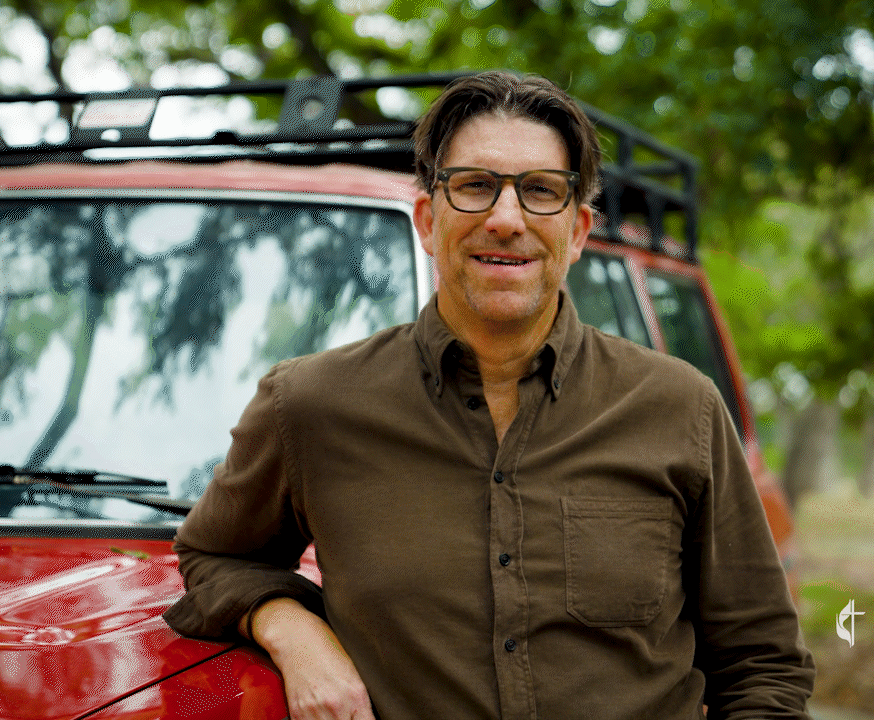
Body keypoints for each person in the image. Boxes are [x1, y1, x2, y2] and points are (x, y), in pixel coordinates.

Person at [165, 70, 814, 720]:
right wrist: (289, 624)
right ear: (429, 219)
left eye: (541, 191)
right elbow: (214, 555)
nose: (506, 219)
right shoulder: (310, 406)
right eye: (475, 186)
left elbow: (762, 665)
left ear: (578, 231)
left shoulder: (682, 408)